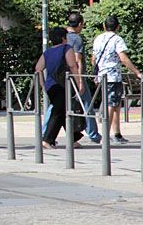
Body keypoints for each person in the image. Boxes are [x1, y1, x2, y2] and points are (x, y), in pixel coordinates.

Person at [42, 13, 101, 143]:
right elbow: (77, 62)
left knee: (56, 107)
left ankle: (46, 133)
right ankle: (93, 134)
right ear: (79, 24)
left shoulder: (59, 38)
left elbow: (40, 66)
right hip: (74, 77)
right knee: (87, 105)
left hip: (58, 80)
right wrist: (79, 81)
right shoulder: (76, 39)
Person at [91, 15, 143, 144]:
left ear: (104, 26)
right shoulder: (117, 39)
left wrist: (98, 71)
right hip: (113, 76)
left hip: (102, 76)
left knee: (114, 104)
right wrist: (137, 72)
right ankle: (105, 135)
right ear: (118, 27)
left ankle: (117, 134)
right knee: (111, 105)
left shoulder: (98, 38)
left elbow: (93, 59)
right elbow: (123, 58)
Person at [35, 27, 84, 149]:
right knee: (57, 113)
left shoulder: (47, 52)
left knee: (63, 111)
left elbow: (38, 68)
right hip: (63, 85)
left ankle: (73, 139)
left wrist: (42, 84)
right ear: (63, 38)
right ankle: (47, 140)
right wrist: (79, 83)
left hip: (50, 86)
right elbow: (73, 66)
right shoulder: (66, 49)